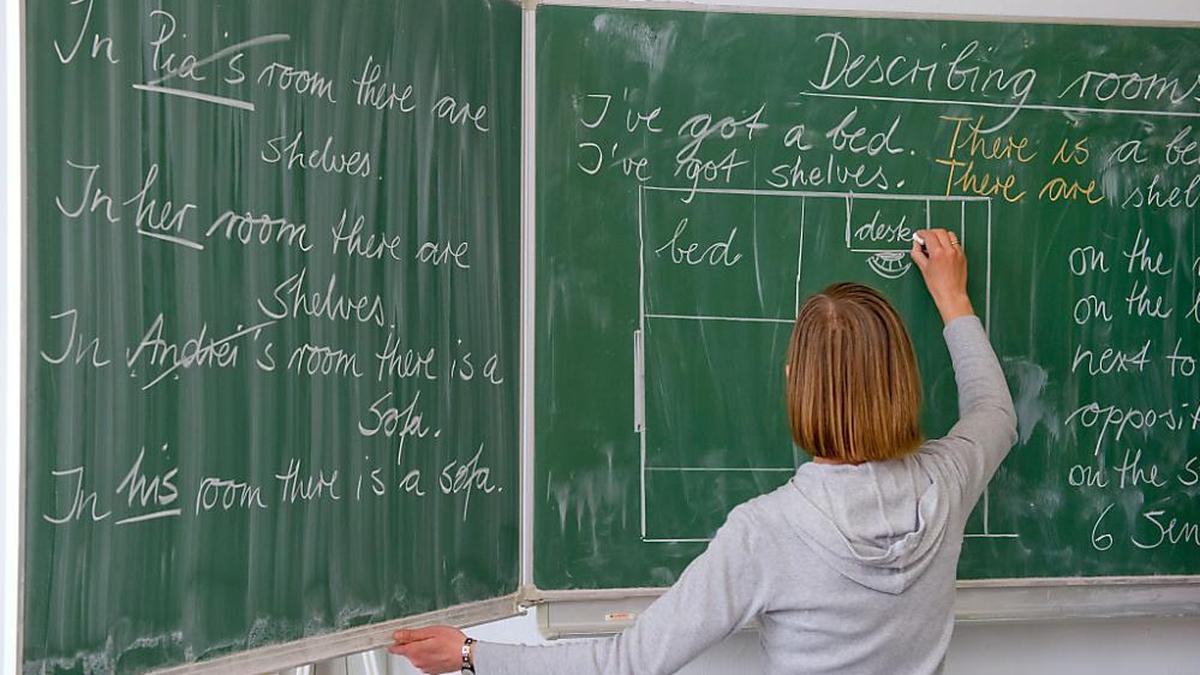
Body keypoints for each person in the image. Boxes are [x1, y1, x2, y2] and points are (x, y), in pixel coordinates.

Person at [389, 228, 1018, 674]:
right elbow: (995, 413)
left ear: (794, 379)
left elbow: (628, 663)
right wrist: (953, 298)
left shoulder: (767, 533)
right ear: (902, 380)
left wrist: (472, 655)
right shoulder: (947, 482)